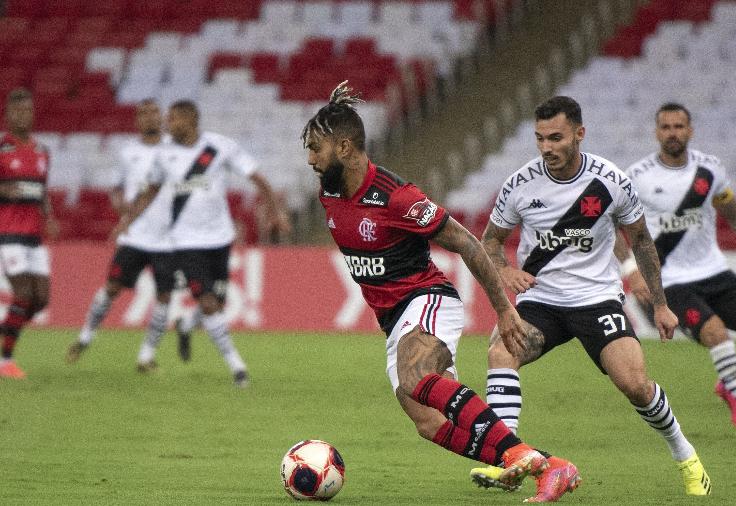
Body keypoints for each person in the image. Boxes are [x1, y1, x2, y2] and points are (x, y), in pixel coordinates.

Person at [302, 82, 580, 503]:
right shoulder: (329, 192)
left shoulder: (397, 198)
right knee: (426, 421)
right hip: (394, 319)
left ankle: (521, 455)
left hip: (427, 298)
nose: (310, 160)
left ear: (344, 147)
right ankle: (549, 466)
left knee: (416, 378)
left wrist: (504, 310)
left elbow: (467, 242)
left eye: (315, 149)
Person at [470, 96, 711, 496]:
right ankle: (506, 459)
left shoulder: (610, 182)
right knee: (501, 352)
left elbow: (641, 241)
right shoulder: (520, 184)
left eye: (556, 138)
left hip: (596, 300)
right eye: (540, 138)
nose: (547, 148)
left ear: (579, 134)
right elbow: (490, 241)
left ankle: (685, 455)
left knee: (635, 385)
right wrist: (506, 269)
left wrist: (663, 305)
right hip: (541, 300)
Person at [620, 102, 736, 443]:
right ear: (657, 132)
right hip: (669, 280)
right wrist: (632, 269)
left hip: (713, 271)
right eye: (666, 127)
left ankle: (733, 385)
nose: (672, 132)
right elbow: (613, 226)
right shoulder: (637, 176)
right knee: (717, 334)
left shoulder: (710, 170)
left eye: (678, 126)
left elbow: (732, 212)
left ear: (690, 130)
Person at [112, 100, 289, 387]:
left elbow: (256, 177)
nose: (167, 123)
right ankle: (238, 368)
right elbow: (150, 192)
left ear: (191, 119)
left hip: (219, 238)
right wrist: (127, 220)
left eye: (174, 118)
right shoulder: (164, 155)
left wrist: (274, 211)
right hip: (183, 242)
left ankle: (185, 324)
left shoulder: (219, 147)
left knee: (217, 301)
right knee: (208, 303)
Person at [66, 99, 192, 370]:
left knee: (164, 297)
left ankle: (146, 356)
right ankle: (85, 337)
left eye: (154, 112)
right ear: (136, 121)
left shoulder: (177, 150)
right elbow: (116, 188)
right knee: (111, 288)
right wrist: (120, 206)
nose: (149, 117)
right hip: (134, 235)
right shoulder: (127, 153)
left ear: (162, 117)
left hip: (167, 239)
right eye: (143, 113)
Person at [0, 88, 57, 379]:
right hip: (8, 235)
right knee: (23, 293)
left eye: (28, 111)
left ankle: (5, 331)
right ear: (7, 115)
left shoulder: (42, 150)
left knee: (41, 300)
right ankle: (4, 360)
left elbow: (42, 190)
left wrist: (50, 215)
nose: (24, 116)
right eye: (18, 111)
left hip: (34, 237)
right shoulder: (2, 149)